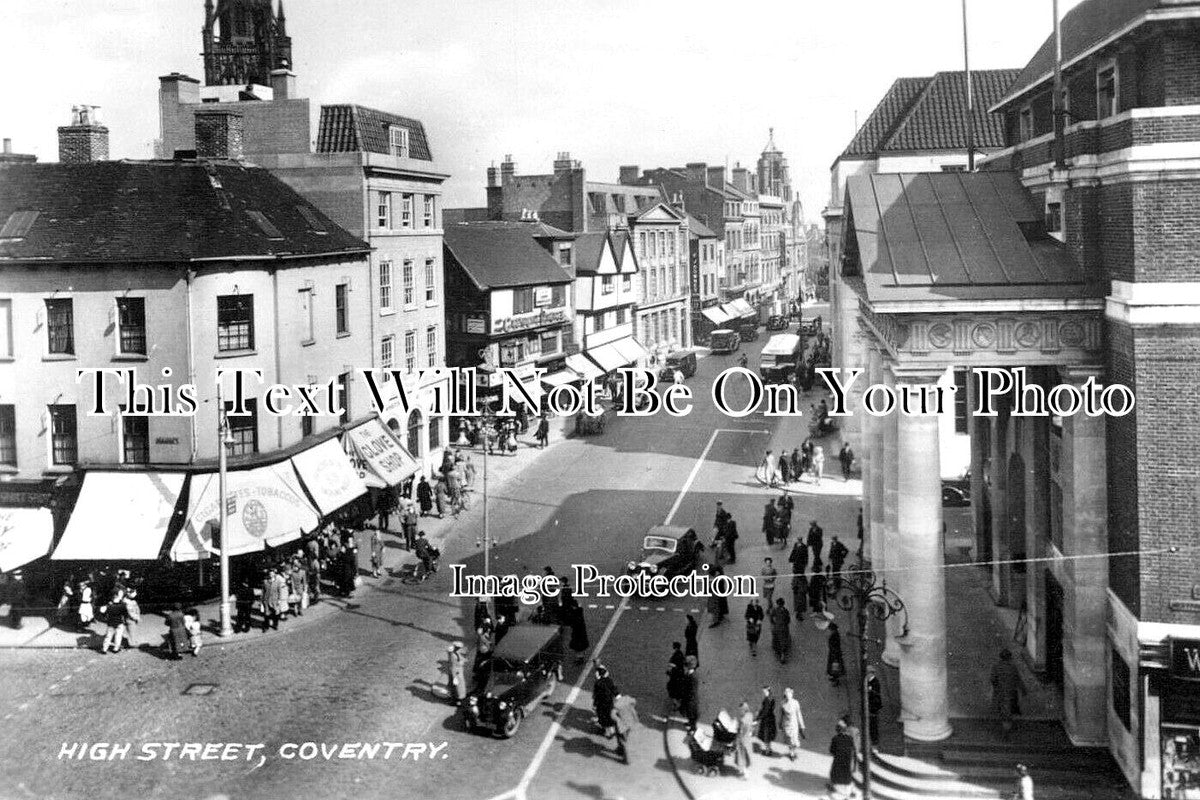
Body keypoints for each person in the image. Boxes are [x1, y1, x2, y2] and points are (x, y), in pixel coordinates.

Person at [991, 648, 1026, 735]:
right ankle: (1007, 729)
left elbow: (993, 679)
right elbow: (1018, 679)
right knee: (1009, 710)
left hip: (1000, 692)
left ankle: (1005, 729)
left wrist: (996, 688)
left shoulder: (996, 666)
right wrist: (1023, 690)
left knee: (1003, 710)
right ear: (1009, 657)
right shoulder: (1012, 667)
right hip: (1011, 692)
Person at [829, 719, 857, 798]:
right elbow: (853, 749)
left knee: (834, 773)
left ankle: (834, 787)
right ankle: (849, 792)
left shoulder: (835, 738)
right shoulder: (850, 738)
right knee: (847, 776)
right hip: (847, 761)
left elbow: (832, 750)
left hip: (838, 760)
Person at [779, 687, 806, 760]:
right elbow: (781, 715)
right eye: (787, 694)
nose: (788, 696)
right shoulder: (782, 703)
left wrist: (802, 725)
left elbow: (799, 714)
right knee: (789, 739)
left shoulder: (795, 703)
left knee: (795, 741)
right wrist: (780, 723)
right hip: (786, 724)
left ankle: (793, 750)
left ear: (792, 694)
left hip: (794, 724)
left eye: (789, 694)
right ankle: (792, 753)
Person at [611, 692, 639, 764]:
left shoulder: (616, 705)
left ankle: (627, 759)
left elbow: (612, 715)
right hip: (630, 722)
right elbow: (634, 701)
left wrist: (618, 720)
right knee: (625, 738)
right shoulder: (628, 698)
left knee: (622, 740)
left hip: (622, 725)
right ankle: (620, 750)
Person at [592, 664, 618, 735]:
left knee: (602, 716)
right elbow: (615, 690)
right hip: (609, 702)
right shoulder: (609, 680)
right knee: (609, 715)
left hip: (601, 703)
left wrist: (594, 704)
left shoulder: (598, 683)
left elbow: (596, 695)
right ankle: (611, 730)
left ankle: (606, 731)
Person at [754, 686, 778, 755]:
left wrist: (758, 718)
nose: (763, 693)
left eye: (764, 691)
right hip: (771, 719)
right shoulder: (771, 698)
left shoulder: (767, 700)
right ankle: (769, 749)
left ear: (767, 691)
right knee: (768, 736)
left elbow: (765, 711)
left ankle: (767, 751)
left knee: (766, 736)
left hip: (766, 721)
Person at [679, 656, 700, 731]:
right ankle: (690, 723)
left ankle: (693, 728)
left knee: (692, 714)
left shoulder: (693, 676)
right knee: (689, 713)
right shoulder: (689, 673)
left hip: (691, 699)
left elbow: (692, 690)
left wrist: (687, 698)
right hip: (688, 698)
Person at [769, 598, 792, 664]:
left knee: (776, 639)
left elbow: (771, 617)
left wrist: (773, 623)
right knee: (783, 640)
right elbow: (788, 620)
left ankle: (778, 651)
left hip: (777, 627)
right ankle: (782, 655)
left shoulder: (775, 610)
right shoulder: (785, 610)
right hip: (784, 628)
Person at [735, 701, 755, 772]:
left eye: (741, 710)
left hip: (743, 739)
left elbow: (742, 729)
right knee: (746, 754)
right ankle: (744, 769)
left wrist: (739, 734)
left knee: (742, 755)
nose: (740, 711)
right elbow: (751, 726)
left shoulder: (743, 719)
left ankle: (744, 771)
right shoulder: (750, 715)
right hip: (747, 738)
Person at [666, 642, 686, 708]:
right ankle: (677, 702)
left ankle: (676, 704)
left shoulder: (676, 655)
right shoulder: (680, 654)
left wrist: (671, 666)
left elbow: (674, 664)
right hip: (680, 674)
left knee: (671, 688)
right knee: (677, 688)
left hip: (676, 674)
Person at [867, 666, 883, 748]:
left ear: (871, 673)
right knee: (871, 723)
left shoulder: (875, 682)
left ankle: (874, 741)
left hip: (873, 706)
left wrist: (870, 691)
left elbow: (876, 694)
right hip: (870, 705)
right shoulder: (869, 681)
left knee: (873, 723)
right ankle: (872, 739)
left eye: (868, 673)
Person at [826, 622, 844, 688]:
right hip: (833, 653)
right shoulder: (834, 634)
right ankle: (834, 677)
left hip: (835, 654)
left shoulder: (835, 635)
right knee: (834, 667)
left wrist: (834, 651)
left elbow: (835, 645)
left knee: (835, 667)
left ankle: (836, 679)